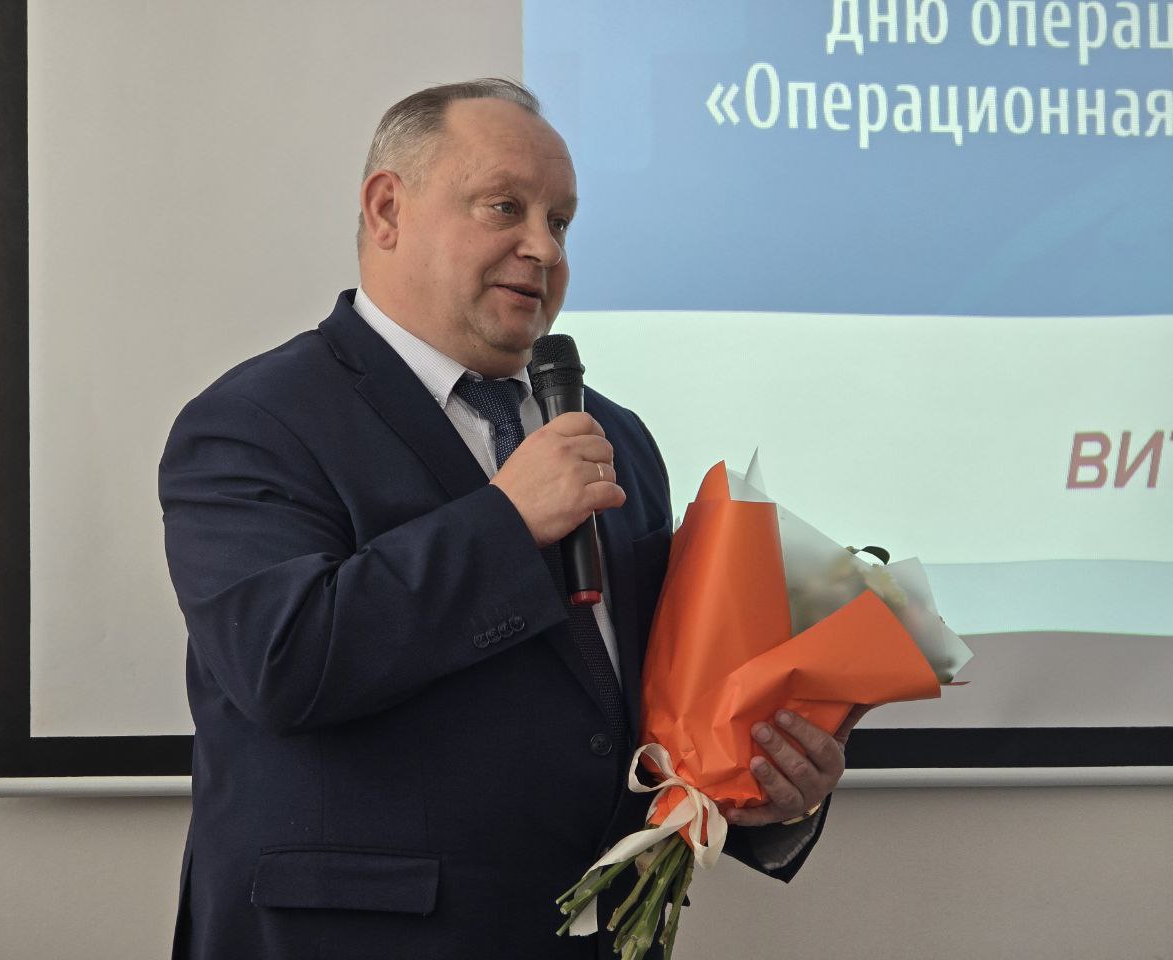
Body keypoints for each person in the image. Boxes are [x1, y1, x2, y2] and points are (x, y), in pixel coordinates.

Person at [160, 78, 862, 960]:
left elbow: (639, 714)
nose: (544, 248)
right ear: (387, 209)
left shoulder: (613, 436)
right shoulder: (255, 421)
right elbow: (283, 663)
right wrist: (507, 520)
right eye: (506, 208)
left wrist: (762, 792)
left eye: (560, 221)